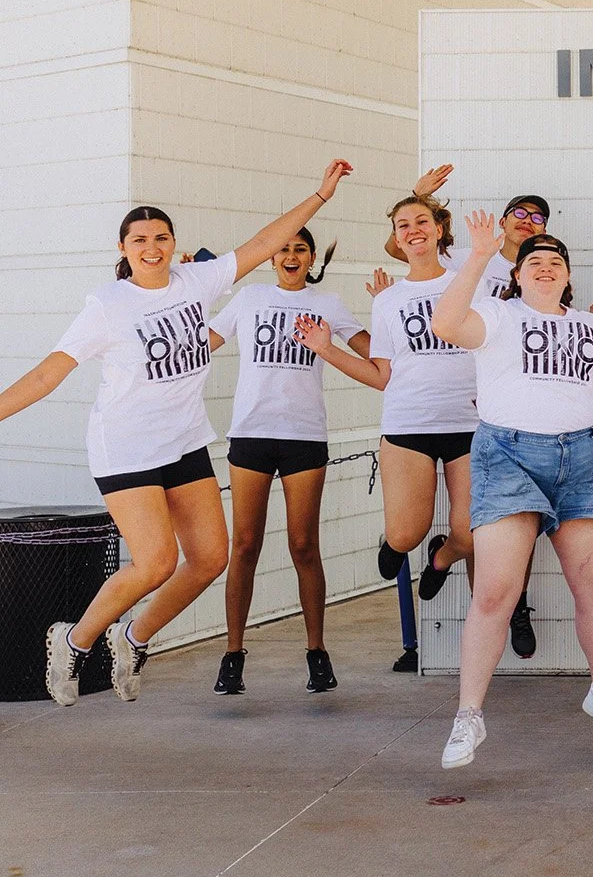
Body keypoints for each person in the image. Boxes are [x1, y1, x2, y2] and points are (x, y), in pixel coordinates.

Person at [5, 160, 353, 707]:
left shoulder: (198, 280)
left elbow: (265, 242)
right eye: (139, 239)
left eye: (161, 237)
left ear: (174, 244)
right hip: (126, 448)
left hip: (185, 442)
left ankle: (134, 636)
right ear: (122, 248)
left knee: (210, 559)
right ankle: (73, 640)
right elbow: (51, 372)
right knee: (156, 562)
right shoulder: (107, 304)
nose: (152, 246)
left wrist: (320, 196)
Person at [429, 213, 593, 768]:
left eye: (556, 261)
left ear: (568, 277)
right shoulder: (499, 315)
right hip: (509, 455)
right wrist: (480, 255)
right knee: (496, 592)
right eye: (534, 261)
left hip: (583, 457)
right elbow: (446, 324)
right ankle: (468, 717)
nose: (546, 267)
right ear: (519, 274)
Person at [295, 192, 475, 620]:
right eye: (403, 226)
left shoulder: (470, 282)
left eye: (421, 222)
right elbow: (380, 376)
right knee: (406, 531)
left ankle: (441, 559)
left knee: (470, 535)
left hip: (470, 423)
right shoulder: (389, 300)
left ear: (439, 229)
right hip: (408, 423)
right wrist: (326, 348)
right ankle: (396, 545)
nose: (413, 231)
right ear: (396, 238)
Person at [206, 227, 369, 695]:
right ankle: (233, 654)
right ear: (271, 258)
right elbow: (199, 345)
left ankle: (317, 652)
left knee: (303, 545)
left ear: (312, 256)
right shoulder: (250, 296)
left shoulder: (328, 304)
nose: (291, 255)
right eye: (284, 249)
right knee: (245, 545)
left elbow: (373, 352)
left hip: (303, 437)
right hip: (252, 436)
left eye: (300, 249)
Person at [405, 166, 556, 658]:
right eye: (519, 212)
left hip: (511, 414)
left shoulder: (546, 272)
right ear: (506, 220)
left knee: (516, 518)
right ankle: (444, 557)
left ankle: (515, 606)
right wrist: (419, 198)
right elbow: (405, 248)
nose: (527, 221)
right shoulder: (471, 259)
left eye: (538, 216)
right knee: (480, 526)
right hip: (457, 402)